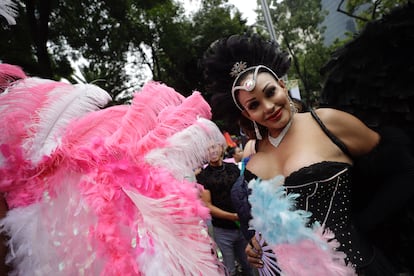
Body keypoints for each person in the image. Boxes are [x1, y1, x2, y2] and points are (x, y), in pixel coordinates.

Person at [201, 33, 414, 275]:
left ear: (282, 85)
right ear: (248, 115)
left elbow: (403, 169)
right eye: (254, 105)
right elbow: (269, 223)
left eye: (270, 93)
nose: (268, 107)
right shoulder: (254, 153)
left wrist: (363, 223)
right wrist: (256, 245)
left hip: (357, 266)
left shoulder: (327, 122)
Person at [197, 140, 253, 276]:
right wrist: (233, 216)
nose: (212, 150)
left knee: (248, 264)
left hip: (242, 227)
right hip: (222, 230)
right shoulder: (203, 176)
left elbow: (243, 191)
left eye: (214, 146)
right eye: (208, 148)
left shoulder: (233, 168)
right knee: (229, 268)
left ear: (222, 148)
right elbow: (207, 206)